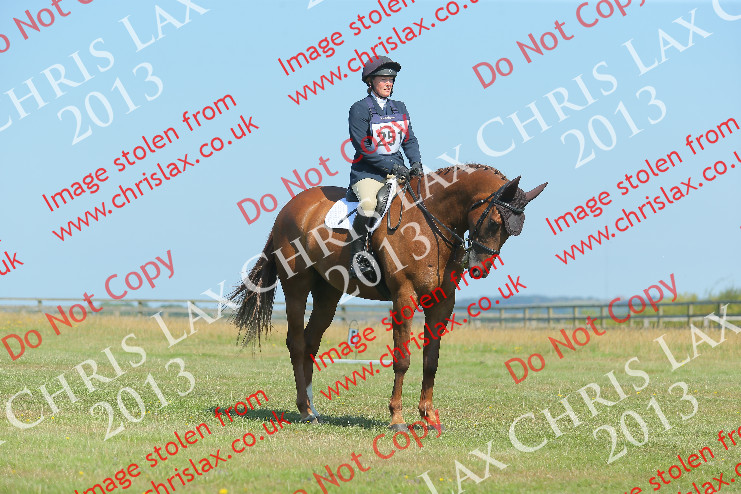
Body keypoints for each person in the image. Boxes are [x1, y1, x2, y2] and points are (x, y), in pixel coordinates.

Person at [347, 56, 424, 279]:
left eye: (391, 79)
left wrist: (416, 162)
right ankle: (357, 258)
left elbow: (409, 140)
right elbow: (364, 148)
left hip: (399, 171)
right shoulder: (359, 109)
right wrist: (392, 166)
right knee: (369, 204)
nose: (388, 83)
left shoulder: (400, 107)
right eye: (383, 79)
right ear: (370, 82)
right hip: (368, 173)